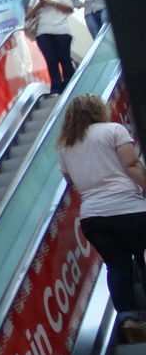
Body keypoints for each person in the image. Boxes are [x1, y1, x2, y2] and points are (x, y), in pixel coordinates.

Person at [57, 94, 146, 316]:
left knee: (116, 266)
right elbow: (132, 164)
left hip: (93, 217)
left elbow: (71, 181)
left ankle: (128, 319)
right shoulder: (113, 130)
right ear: (99, 110)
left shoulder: (64, 146)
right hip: (129, 208)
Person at [26, 0, 76, 94]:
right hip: (43, 33)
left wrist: (53, 3)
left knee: (65, 59)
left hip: (62, 31)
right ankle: (56, 88)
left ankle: (70, 84)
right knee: (51, 61)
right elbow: (28, 16)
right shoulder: (34, 0)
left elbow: (70, 9)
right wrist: (39, 5)